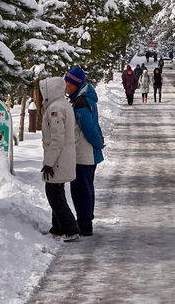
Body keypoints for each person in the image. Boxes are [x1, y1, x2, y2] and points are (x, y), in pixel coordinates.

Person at [64, 66, 105, 237]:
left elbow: (88, 127)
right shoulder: (84, 99)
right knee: (86, 188)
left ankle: (84, 224)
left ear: (75, 84)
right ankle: (85, 220)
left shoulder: (80, 102)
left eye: (68, 83)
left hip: (83, 153)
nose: (65, 86)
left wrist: (97, 143)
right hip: (86, 152)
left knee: (81, 190)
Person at [39, 76, 79, 240]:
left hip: (58, 160)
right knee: (57, 192)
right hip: (63, 158)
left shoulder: (55, 109)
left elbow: (57, 139)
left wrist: (49, 163)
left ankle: (71, 229)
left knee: (54, 195)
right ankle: (57, 227)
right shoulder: (63, 105)